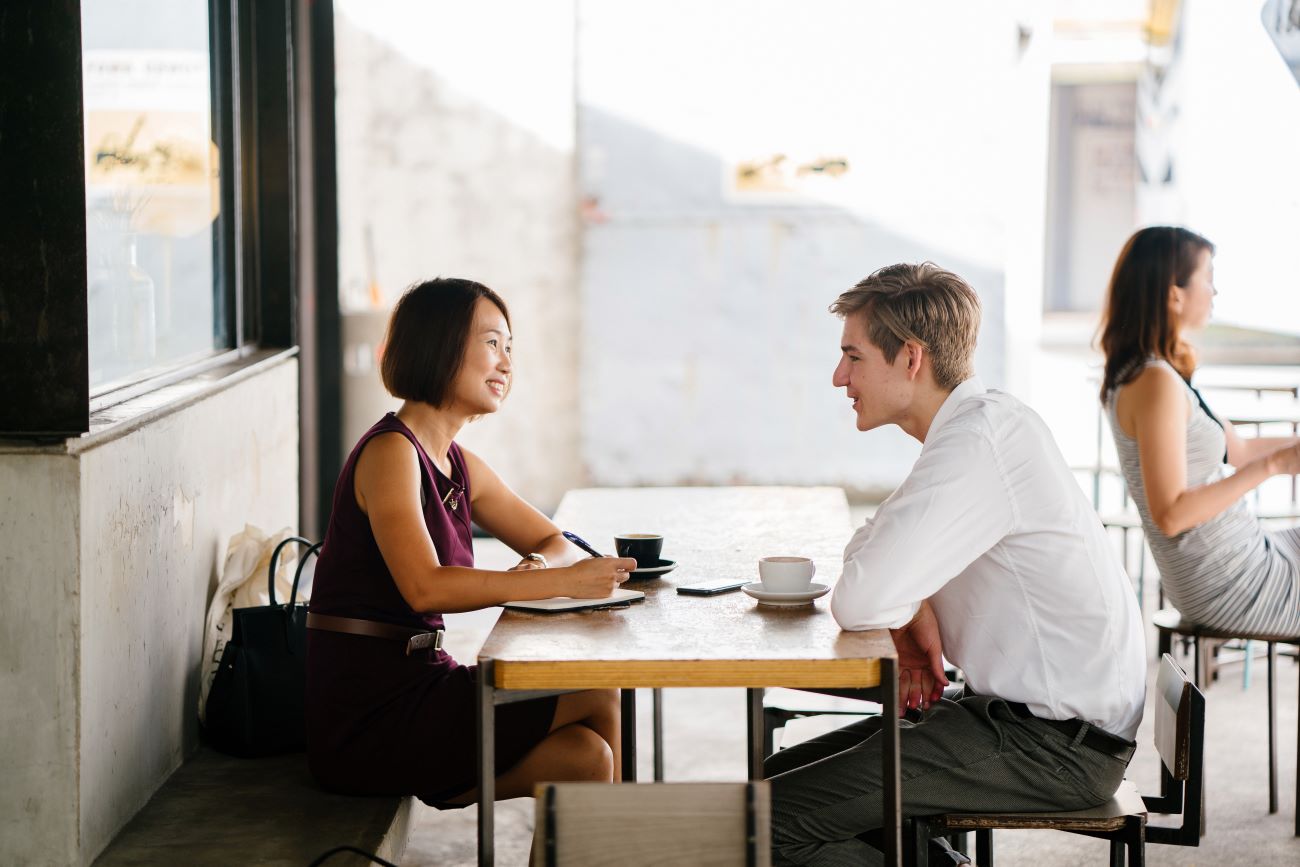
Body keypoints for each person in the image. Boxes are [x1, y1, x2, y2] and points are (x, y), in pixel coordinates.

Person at [765, 263, 1147, 866]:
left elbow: (858, 598)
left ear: (910, 358)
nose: (839, 377)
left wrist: (904, 594)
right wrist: (914, 601)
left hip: (1051, 746)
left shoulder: (979, 442)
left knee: (757, 821)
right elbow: (870, 542)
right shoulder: (972, 429)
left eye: (853, 357)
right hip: (1017, 720)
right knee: (770, 781)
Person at [305, 278, 637, 809]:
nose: (506, 363)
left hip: (424, 684)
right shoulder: (392, 452)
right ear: (438, 345)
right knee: (594, 687)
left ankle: (611, 848)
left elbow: (552, 537)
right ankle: (631, 845)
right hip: (371, 711)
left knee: (585, 758)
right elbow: (424, 588)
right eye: (490, 343)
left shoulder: (459, 465)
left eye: (510, 347)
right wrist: (556, 582)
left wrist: (537, 565)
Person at [1099, 226, 1300, 635]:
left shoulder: (1152, 373)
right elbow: (1171, 514)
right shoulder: (1154, 382)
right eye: (1207, 278)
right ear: (1174, 294)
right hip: (1233, 582)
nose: (1214, 291)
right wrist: (1276, 465)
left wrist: (1285, 452)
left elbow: (1239, 450)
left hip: (1240, 557)